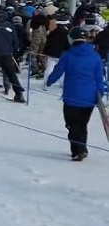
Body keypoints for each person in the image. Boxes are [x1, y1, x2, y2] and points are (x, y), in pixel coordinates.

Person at [46, 27, 108, 160]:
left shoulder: (67, 55)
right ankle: (81, 148)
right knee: (82, 124)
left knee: (72, 124)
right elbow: (99, 77)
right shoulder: (95, 56)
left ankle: (78, 150)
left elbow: (58, 71)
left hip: (71, 96)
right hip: (90, 97)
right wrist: (100, 93)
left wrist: (49, 81)